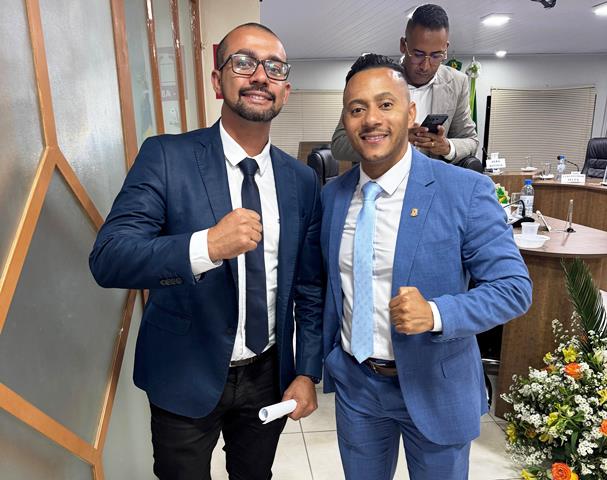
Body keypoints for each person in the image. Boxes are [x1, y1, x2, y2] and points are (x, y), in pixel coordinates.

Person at [89, 23, 323, 480]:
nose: (260, 76)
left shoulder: (301, 180)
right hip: (184, 370)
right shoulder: (165, 157)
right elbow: (109, 257)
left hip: (268, 375)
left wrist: (307, 371)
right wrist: (206, 246)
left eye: (275, 68)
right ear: (218, 80)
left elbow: (310, 288)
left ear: (286, 90)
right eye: (244, 62)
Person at [320, 54, 532, 480]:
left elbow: (513, 288)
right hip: (358, 387)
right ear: (345, 121)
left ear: (411, 113)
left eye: (386, 104)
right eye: (357, 109)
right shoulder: (332, 196)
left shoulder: (465, 190)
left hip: (437, 386)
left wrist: (436, 313)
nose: (371, 119)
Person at [331, 4, 480, 169]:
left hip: (434, 178)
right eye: (418, 54)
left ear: (446, 49)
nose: (425, 66)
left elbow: (470, 140)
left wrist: (447, 147)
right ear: (403, 45)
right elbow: (339, 145)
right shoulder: (376, 78)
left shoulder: (458, 82)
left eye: (436, 55)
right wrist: (396, 140)